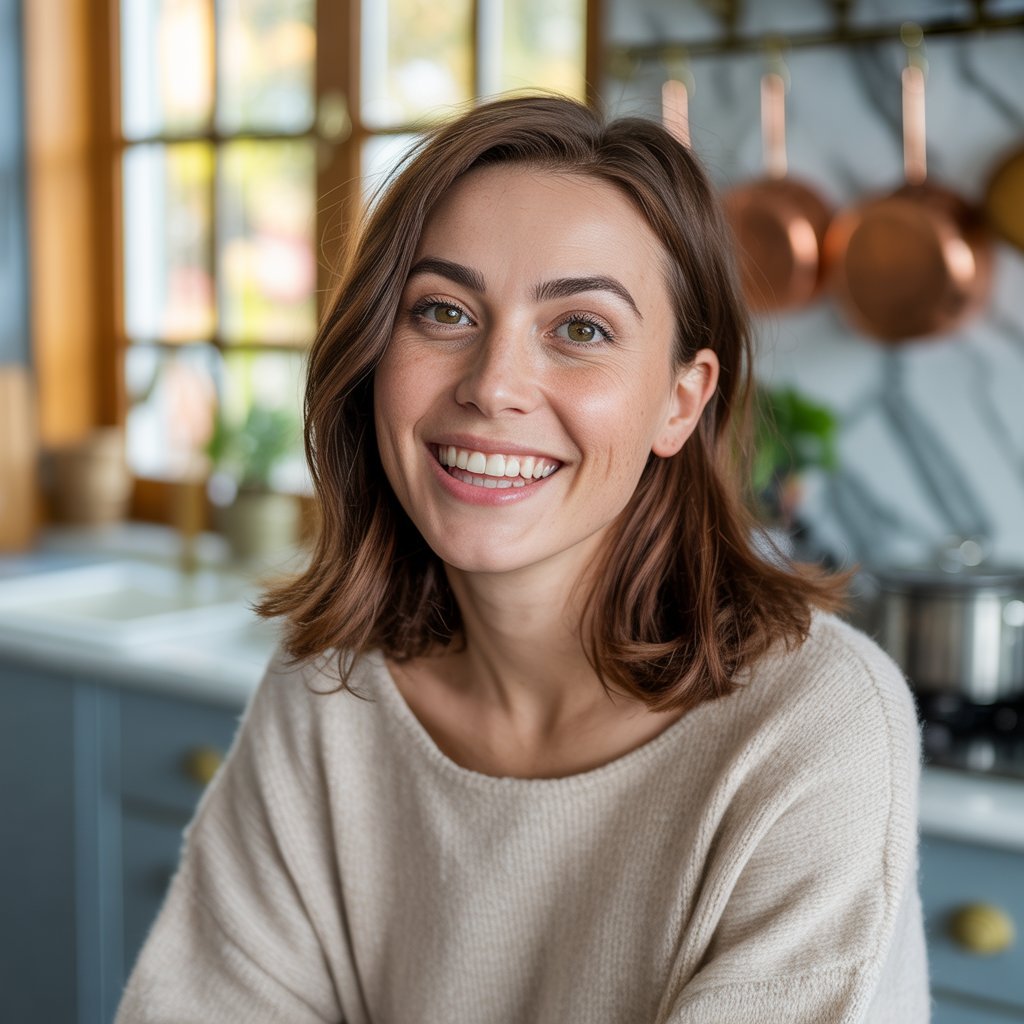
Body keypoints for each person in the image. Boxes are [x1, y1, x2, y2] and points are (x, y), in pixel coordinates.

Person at [116, 95, 928, 1023]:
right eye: (443, 311)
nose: (493, 385)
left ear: (681, 400)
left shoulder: (814, 727)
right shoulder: (331, 690)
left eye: (580, 328)